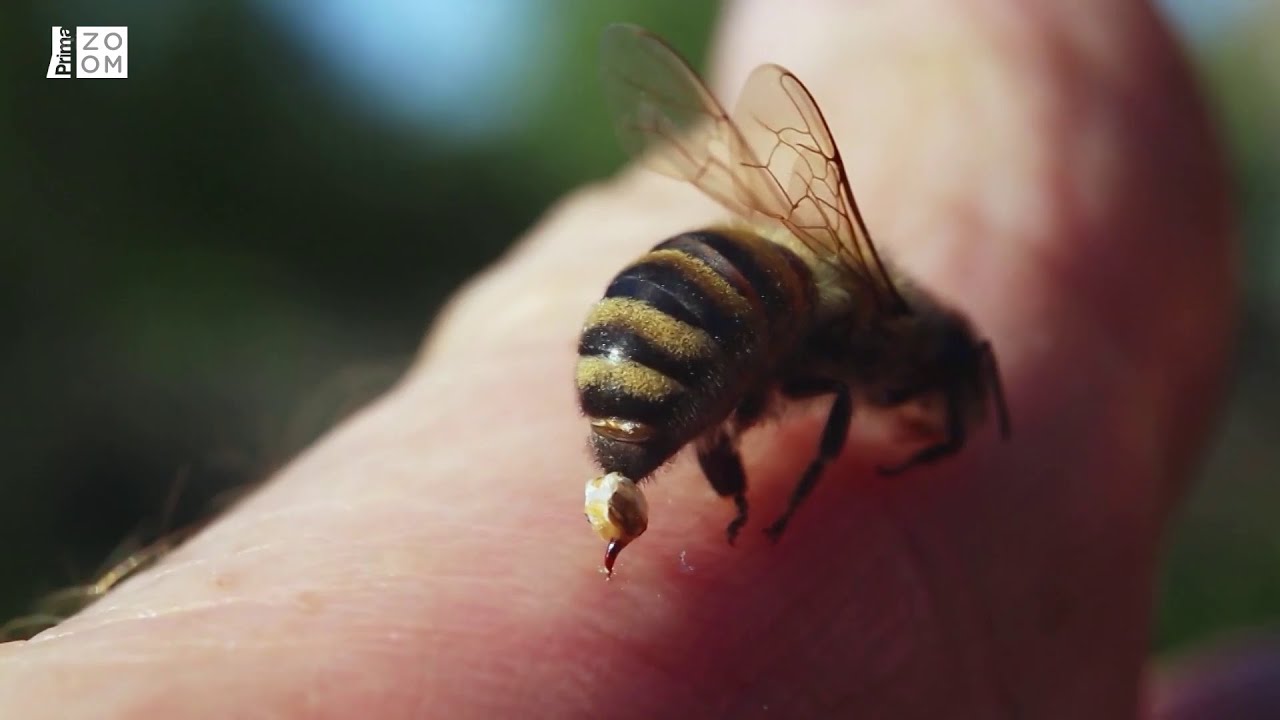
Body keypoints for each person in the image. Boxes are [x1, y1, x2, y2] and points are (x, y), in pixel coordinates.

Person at [0, 0, 1246, 716]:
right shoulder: (879, 329)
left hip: (676, 311)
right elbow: (803, 392)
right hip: (707, 312)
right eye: (945, 396)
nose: (930, 414)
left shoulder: (829, 316)